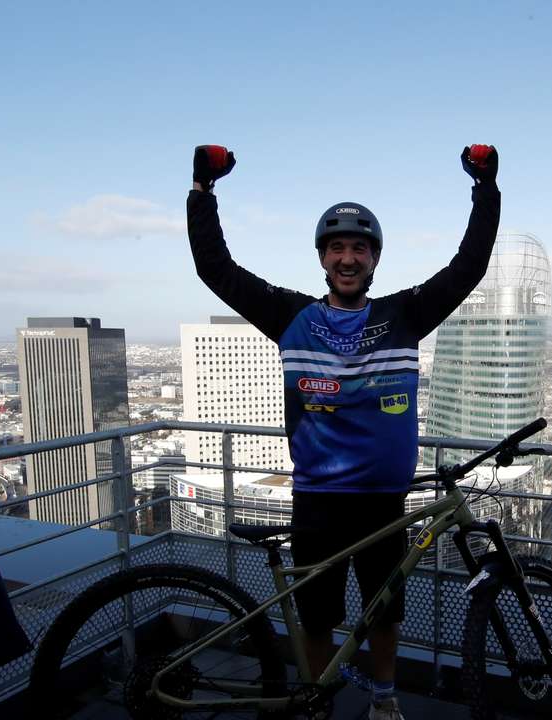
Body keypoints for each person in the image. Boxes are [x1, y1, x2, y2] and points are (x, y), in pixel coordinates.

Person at [187, 143, 501, 719]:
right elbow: (216, 268)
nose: (348, 258)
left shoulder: (404, 315)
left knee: (385, 612)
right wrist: (202, 192)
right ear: (323, 258)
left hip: (384, 501)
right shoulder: (292, 317)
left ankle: (383, 700)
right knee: (317, 618)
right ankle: (318, 702)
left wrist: (485, 189)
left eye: (359, 248)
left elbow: (469, 266)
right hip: (318, 499)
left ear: (374, 259)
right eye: (337, 248)